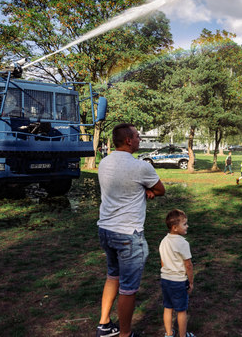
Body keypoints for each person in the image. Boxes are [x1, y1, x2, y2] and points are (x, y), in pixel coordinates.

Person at [96, 123, 166, 337]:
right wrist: (147, 189)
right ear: (128, 140)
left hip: (105, 229)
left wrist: (143, 189)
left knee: (112, 276)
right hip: (128, 234)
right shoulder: (141, 167)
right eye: (137, 136)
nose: (139, 139)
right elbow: (160, 189)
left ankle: (104, 324)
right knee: (128, 288)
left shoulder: (104, 163)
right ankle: (125, 334)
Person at [159, 209, 196, 337]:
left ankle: (168, 334)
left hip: (165, 280)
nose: (187, 226)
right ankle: (183, 335)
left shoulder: (164, 241)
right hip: (178, 282)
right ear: (175, 227)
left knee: (168, 307)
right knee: (181, 311)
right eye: (184, 224)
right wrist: (190, 282)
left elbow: (162, 262)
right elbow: (188, 265)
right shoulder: (183, 243)